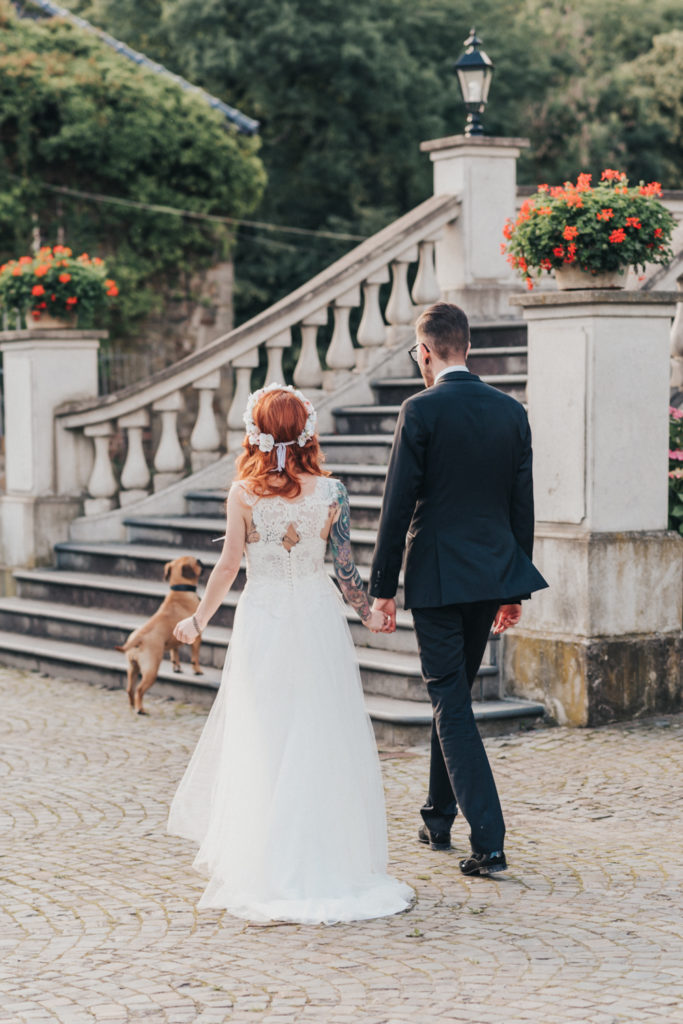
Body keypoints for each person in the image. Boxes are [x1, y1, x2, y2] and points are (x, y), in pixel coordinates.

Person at [168, 382, 413, 923]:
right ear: (307, 430)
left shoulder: (243, 494)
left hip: (265, 621)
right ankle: (327, 859)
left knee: (266, 735)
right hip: (319, 619)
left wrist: (196, 619)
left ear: (256, 432)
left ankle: (267, 862)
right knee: (321, 732)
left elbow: (229, 566)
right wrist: (369, 614)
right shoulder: (334, 493)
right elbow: (346, 568)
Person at [369, 302, 548, 877]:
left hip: (440, 579)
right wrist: (513, 587)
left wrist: (381, 588)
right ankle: (436, 817)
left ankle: (489, 841)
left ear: (425, 351)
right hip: (493, 573)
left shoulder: (418, 409)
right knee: (455, 702)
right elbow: (523, 505)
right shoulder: (510, 411)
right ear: (466, 347)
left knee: (450, 703)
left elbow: (396, 506)